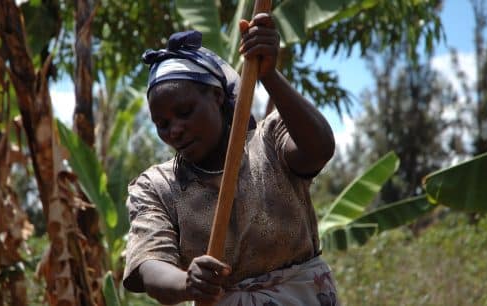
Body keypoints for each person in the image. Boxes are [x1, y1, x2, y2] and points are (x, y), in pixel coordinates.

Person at [122, 13, 338, 306]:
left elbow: (319, 149)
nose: (174, 130)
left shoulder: (271, 140)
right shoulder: (157, 187)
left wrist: (269, 75)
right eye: (162, 123)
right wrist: (188, 282)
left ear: (216, 96)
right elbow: (148, 265)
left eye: (185, 112)